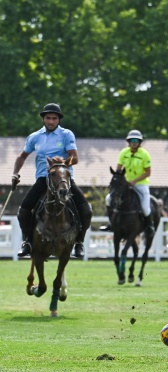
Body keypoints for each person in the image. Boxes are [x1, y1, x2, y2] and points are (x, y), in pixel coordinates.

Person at [11, 103, 93, 258]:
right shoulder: (35, 137)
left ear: (58, 120)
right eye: (48, 118)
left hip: (63, 179)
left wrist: (61, 163)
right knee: (23, 212)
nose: (51, 121)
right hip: (43, 179)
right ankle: (27, 242)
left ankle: (79, 243)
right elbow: (21, 157)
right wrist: (15, 174)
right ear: (43, 119)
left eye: (54, 118)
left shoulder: (66, 135)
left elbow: (74, 158)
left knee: (86, 211)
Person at [102, 130, 155, 235]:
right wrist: (118, 179)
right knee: (108, 199)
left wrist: (135, 181)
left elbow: (148, 173)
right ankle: (111, 224)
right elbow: (119, 169)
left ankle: (150, 227)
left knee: (145, 207)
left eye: (136, 140)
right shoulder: (124, 152)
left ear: (140, 142)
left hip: (141, 184)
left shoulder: (145, 154)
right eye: (132, 140)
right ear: (128, 141)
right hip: (125, 184)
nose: (134, 142)